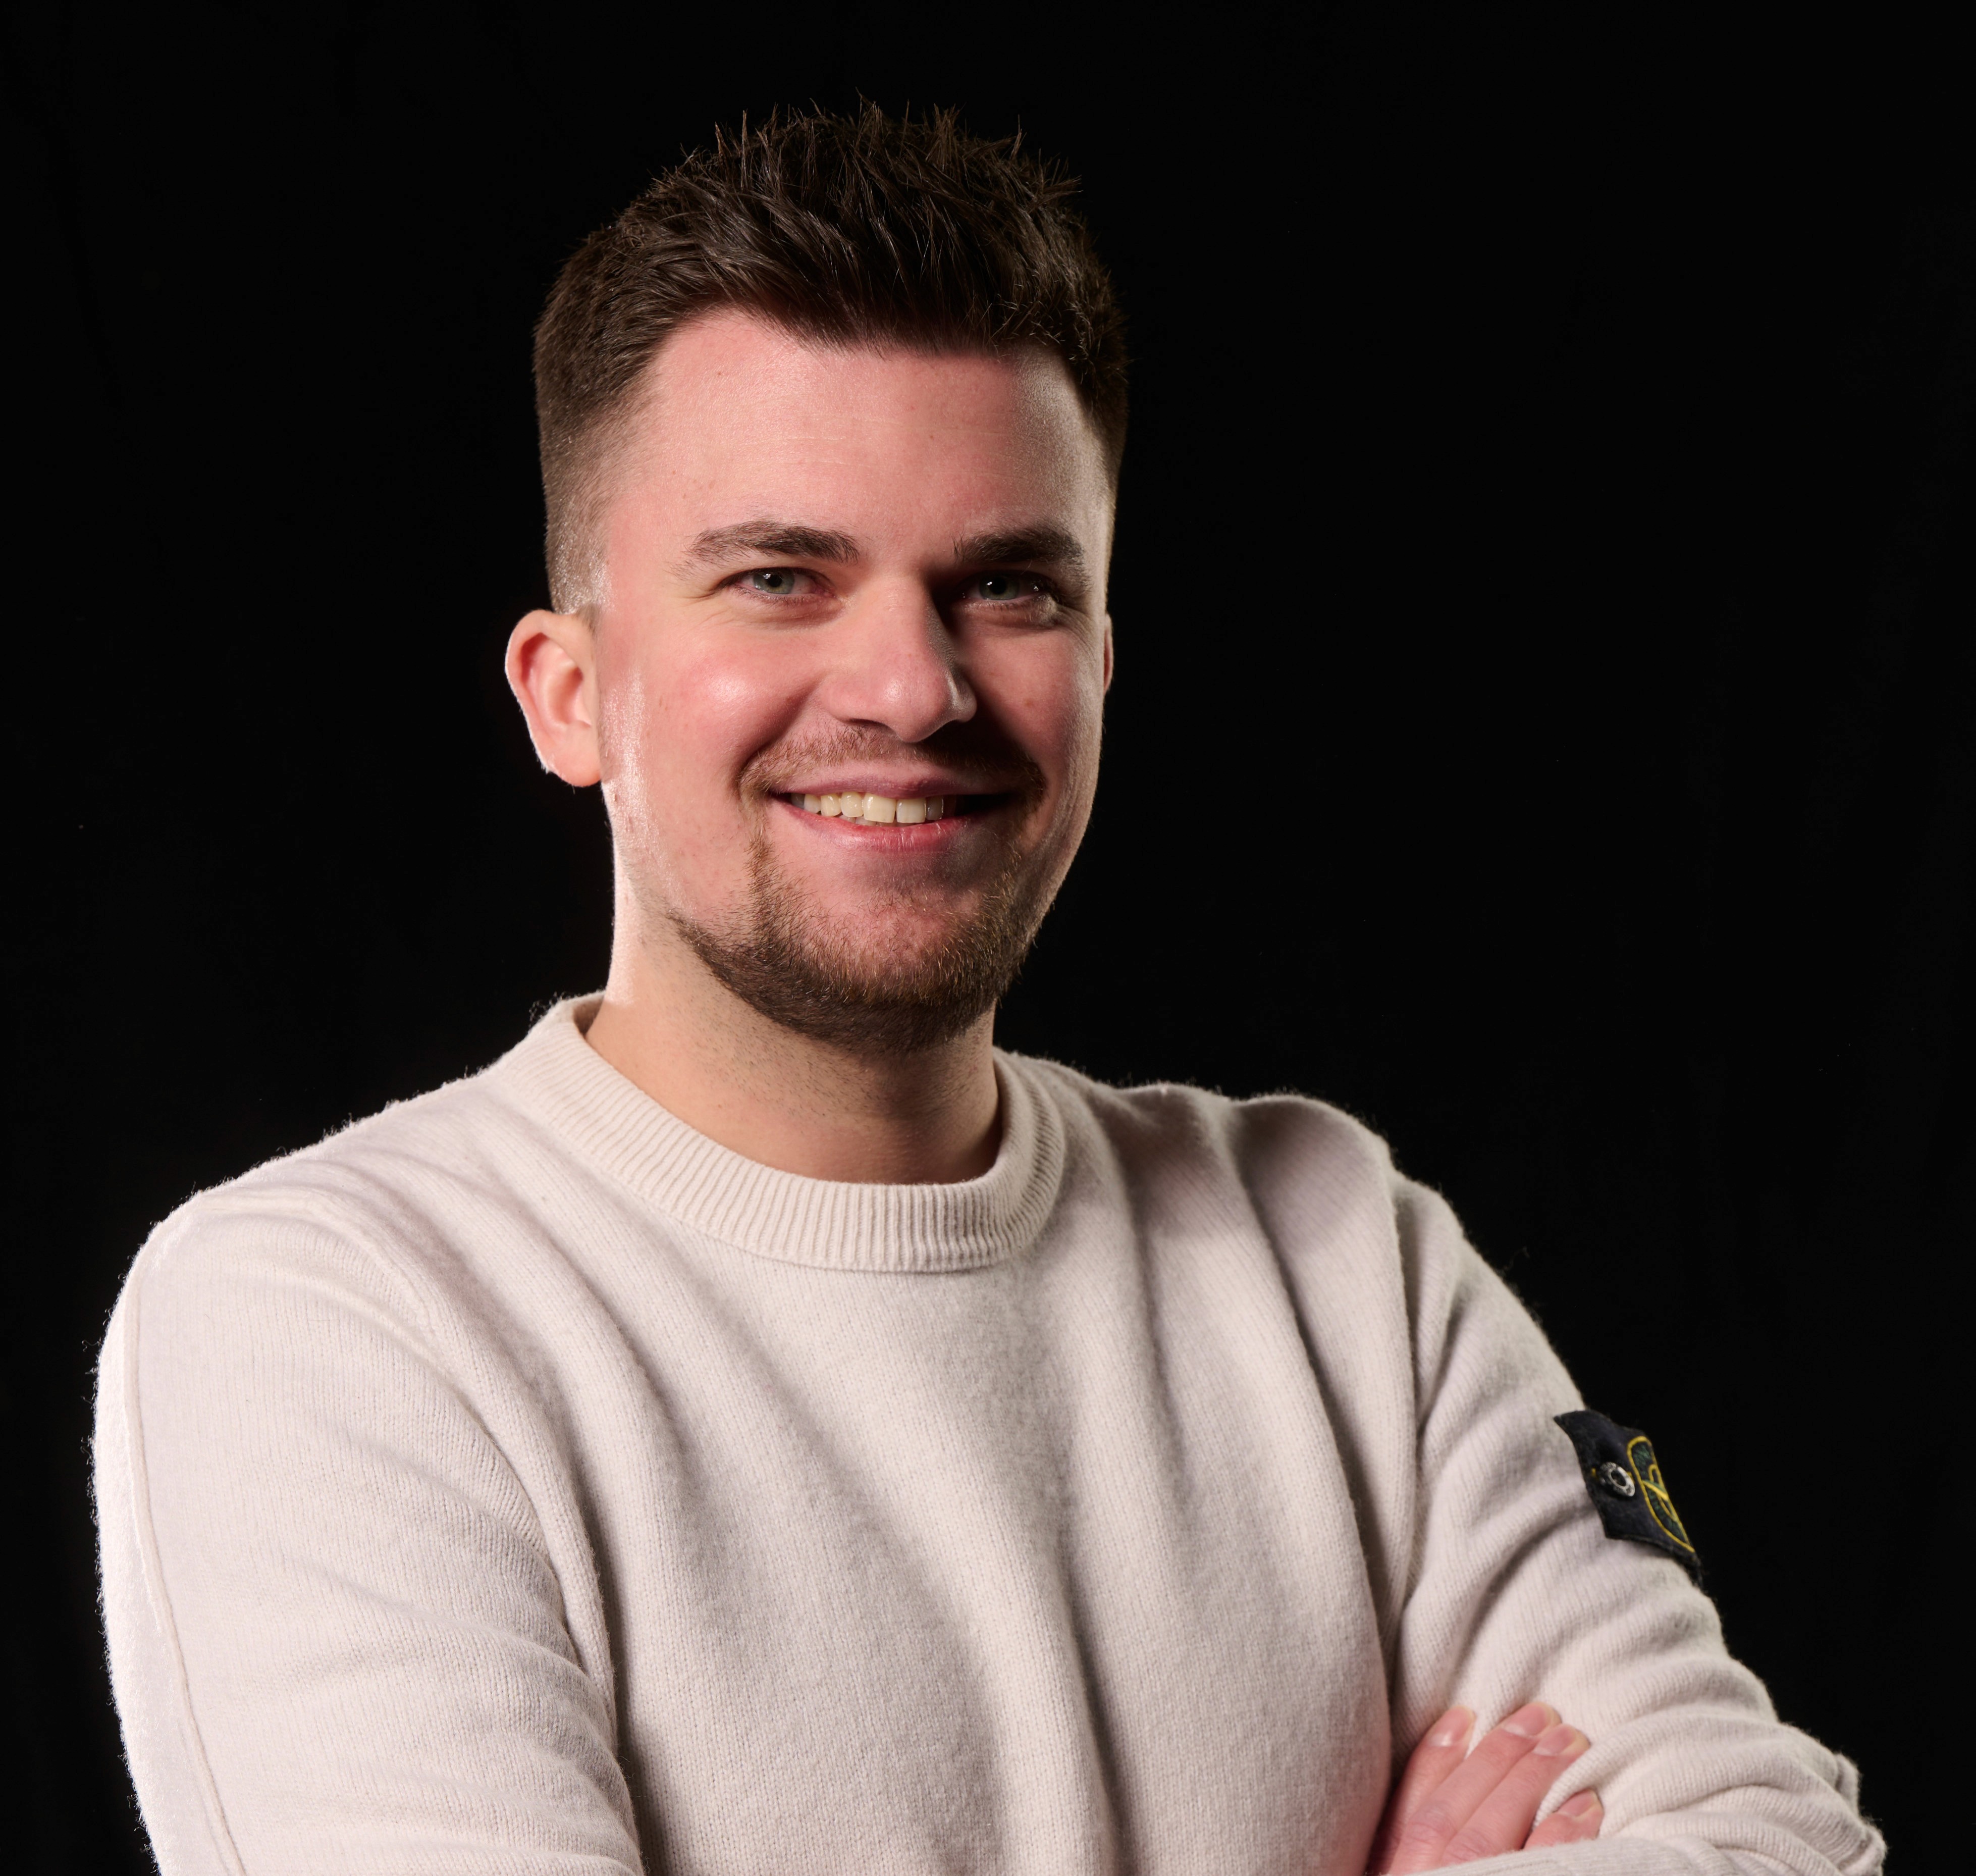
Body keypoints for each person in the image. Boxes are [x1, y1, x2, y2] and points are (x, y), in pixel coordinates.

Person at [93, 107, 1883, 1876]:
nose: (911, 687)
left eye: (1007, 585)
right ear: (568, 694)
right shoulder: (332, 1320)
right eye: (779, 577)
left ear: (1099, 660)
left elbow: (1773, 1835)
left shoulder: (1340, 1252)